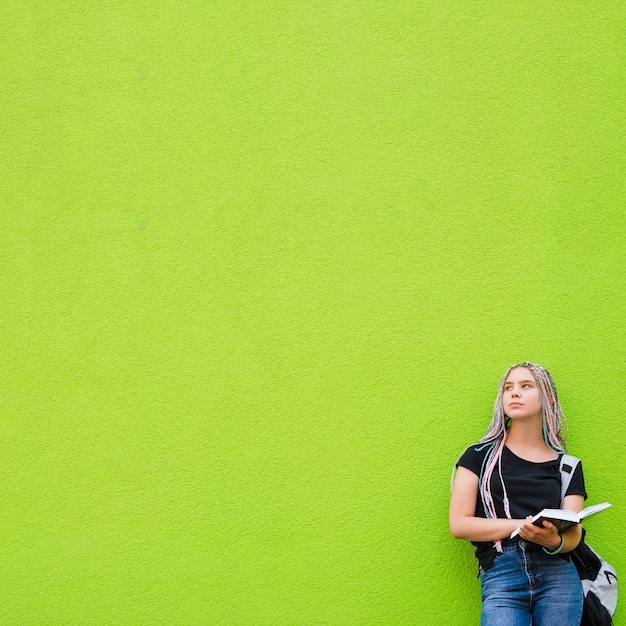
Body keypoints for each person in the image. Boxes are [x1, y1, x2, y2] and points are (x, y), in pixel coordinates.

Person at [449, 362, 586, 625]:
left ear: (547, 397)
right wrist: (522, 526)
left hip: (559, 577)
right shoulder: (478, 457)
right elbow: (459, 524)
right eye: (508, 388)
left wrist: (552, 541)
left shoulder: (568, 465)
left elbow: (574, 534)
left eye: (526, 386)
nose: (514, 393)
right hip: (502, 572)